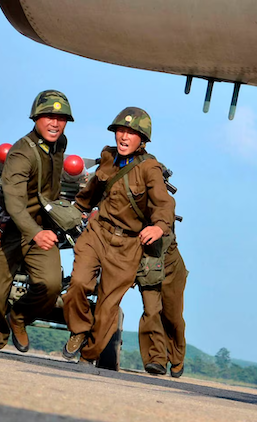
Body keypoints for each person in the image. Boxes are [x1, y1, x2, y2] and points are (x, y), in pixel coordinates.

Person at [63, 107, 173, 364]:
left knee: (107, 307)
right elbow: (91, 190)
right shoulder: (108, 156)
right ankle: (78, 329)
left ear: (142, 140)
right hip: (98, 231)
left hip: (128, 244)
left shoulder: (149, 168)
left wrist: (158, 226)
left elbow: (164, 203)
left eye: (131, 133)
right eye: (120, 131)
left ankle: (88, 356)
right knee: (77, 283)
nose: (124, 137)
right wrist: (77, 209)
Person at [0, 90, 73, 352]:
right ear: (35, 118)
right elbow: (14, 201)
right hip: (11, 230)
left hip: (41, 227)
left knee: (52, 285)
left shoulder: (59, 143)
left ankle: (18, 318)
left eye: (61, 118)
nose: (55, 123)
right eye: (48, 117)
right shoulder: (22, 153)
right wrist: (34, 232)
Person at [138, 194, 188, 377]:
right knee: (151, 311)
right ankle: (156, 359)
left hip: (171, 266)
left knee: (172, 316)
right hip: (146, 266)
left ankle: (176, 355)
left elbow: (166, 215)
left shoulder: (165, 201)